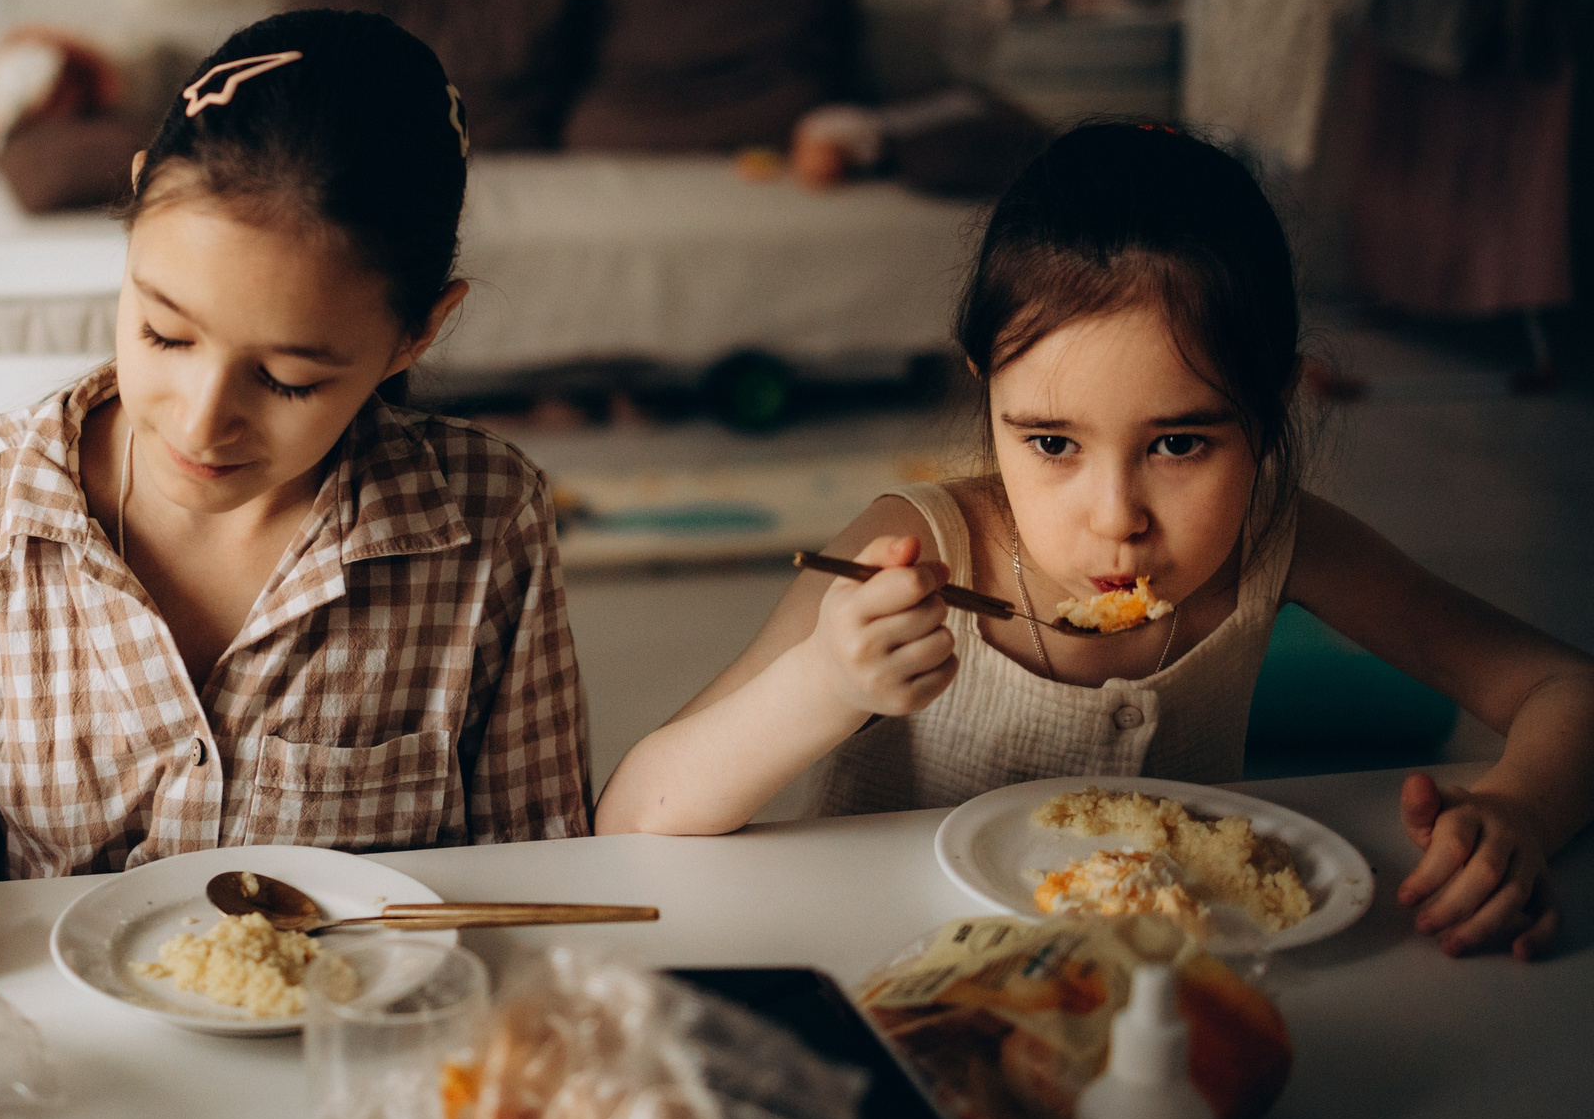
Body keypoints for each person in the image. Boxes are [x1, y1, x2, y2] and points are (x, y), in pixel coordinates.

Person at [0, 10, 590, 950]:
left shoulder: (487, 524)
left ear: (418, 334)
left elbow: (543, 883)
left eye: (288, 380)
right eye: (165, 331)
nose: (199, 421)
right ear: (134, 208)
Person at [596, 122, 1594, 960]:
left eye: (1177, 442)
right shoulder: (914, 549)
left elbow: (1564, 689)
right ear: (986, 389)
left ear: (1270, 403)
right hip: (890, 993)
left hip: (1163, 1002)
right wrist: (823, 683)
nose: (1115, 514)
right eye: (1050, 443)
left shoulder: (1277, 543)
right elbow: (634, 817)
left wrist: (1521, 811)